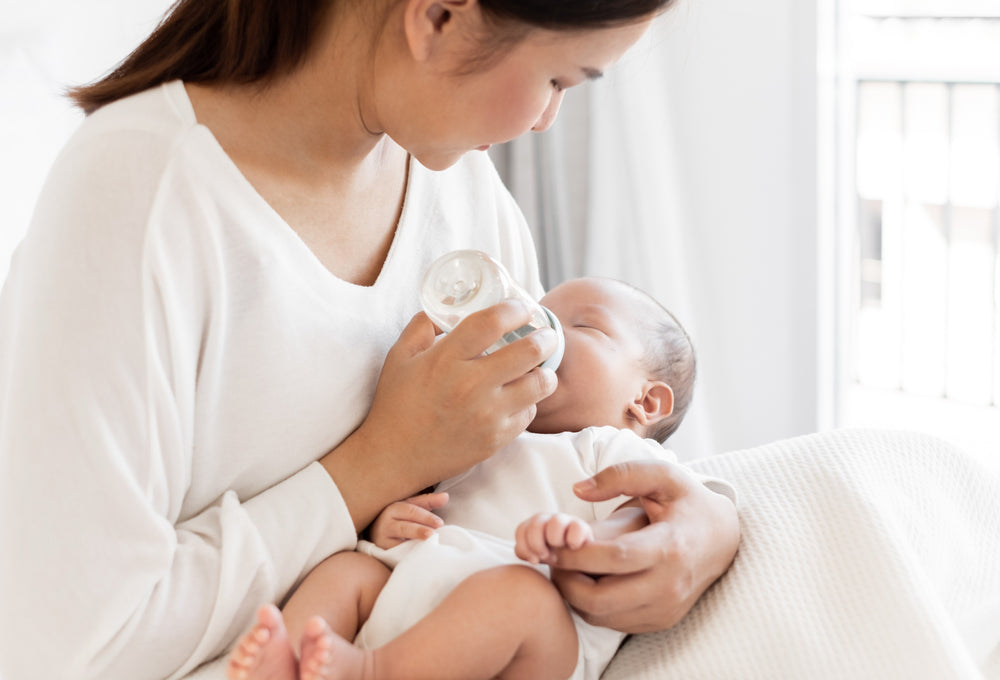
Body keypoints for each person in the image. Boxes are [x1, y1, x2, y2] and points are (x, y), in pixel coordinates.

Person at [0, 2, 740, 679]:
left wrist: (712, 527)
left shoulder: (468, 201)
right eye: (556, 79)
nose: (548, 118)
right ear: (440, 17)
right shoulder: (141, 197)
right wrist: (377, 464)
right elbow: (70, 647)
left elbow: (531, 474)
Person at [226, 276, 735, 680]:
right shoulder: (484, 428)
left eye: (585, 328)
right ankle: (287, 663)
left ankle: (367, 671)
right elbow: (419, 498)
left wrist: (586, 540)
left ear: (644, 401)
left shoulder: (611, 449)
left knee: (519, 596)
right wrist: (391, 525)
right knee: (346, 573)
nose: (544, 329)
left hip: (530, 640)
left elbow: (650, 515)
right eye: (542, 312)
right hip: (413, 599)